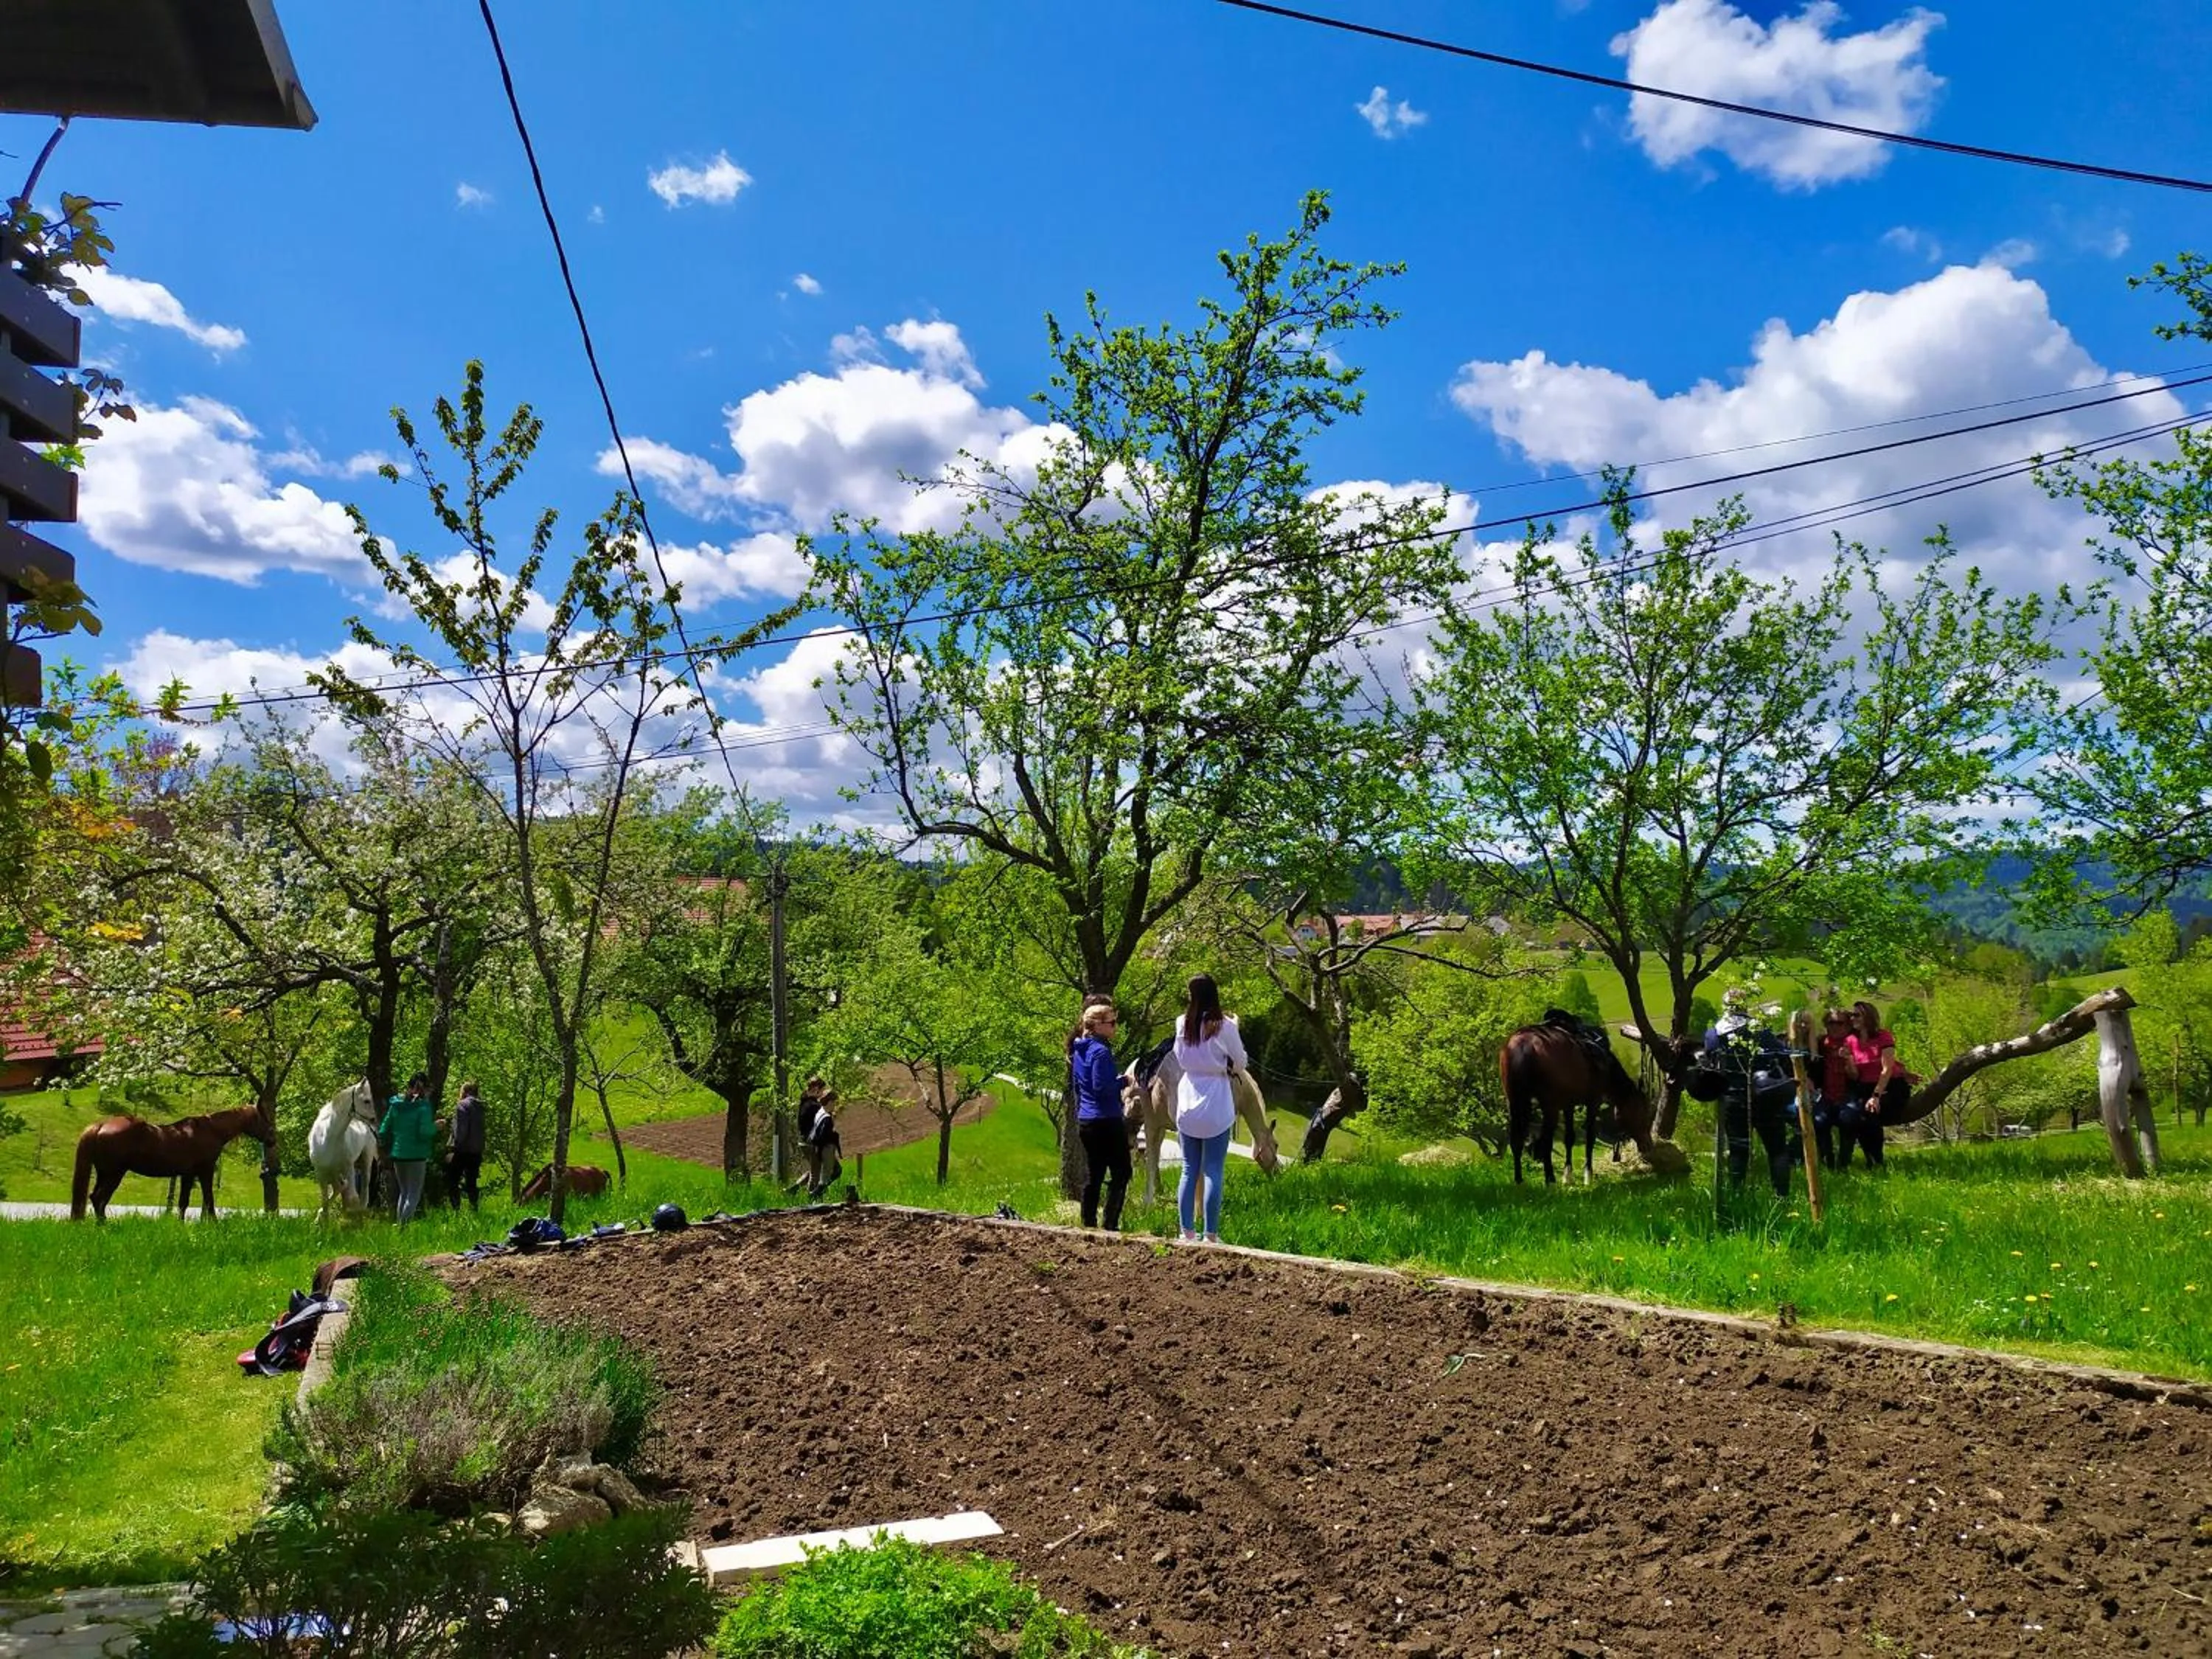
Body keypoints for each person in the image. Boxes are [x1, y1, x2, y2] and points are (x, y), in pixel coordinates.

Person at [1698, 992, 1798, 1196]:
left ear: (1725, 1006)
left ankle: (1737, 1196)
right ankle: (1782, 1197)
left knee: (1738, 1150)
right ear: (1744, 1005)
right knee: (1777, 1149)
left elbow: (1710, 1058)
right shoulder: (1759, 1031)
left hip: (1733, 1098)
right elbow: (1781, 1053)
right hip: (1765, 1095)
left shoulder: (1714, 1034)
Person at [1172, 974, 1245, 1244]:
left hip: (1188, 1095)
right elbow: (1240, 1061)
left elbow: (1179, 1056)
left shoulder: (1182, 1022)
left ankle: (1186, 1231)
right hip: (1216, 1098)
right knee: (1213, 1170)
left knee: (1189, 1169)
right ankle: (1211, 1234)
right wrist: (1225, 1063)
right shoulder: (1225, 1025)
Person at [1071, 1000, 1130, 1231]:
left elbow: (1079, 1086)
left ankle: (1088, 1223)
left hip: (1087, 1120)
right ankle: (1110, 1224)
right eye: (1112, 1023)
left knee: (1094, 1173)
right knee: (1122, 1172)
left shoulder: (1079, 1050)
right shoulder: (1101, 1052)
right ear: (1098, 1026)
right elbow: (1101, 1088)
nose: (1116, 1027)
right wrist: (1123, 1082)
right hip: (1107, 1120)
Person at [1840, 999, 1911, 1169]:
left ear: (1868, 1017)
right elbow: (1854, 1075)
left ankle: (1877, 1161)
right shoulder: (1850, 1040)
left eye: (1857, 1015)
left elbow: (1887, 1069)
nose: (1853, 1019)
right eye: (1851, 1016)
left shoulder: (1883, 1036)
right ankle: (1869, 1160)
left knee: (1871, 1113)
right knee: (1855, 1116)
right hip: (1864, 1087)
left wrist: (1876, 1096)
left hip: (1890, 1085)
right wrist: (1847, 1059)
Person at [379, 1073, 437, 1225]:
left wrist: (390, 1143)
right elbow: (424, 1132)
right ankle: (403, 1228)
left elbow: (383, 1129)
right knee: (413, 1194)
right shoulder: (423, 1107)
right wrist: (436, 1127)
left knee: (403, 1192)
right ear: (426, 1089)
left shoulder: (395, 1105)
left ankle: (400, 1225)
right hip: (417, 1155)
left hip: (398, 1154)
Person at [1812, 1008, 1854, 1169]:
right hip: (1826, 1095)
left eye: (1840, 1023)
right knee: (1819, 1120)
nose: (1835, 1026)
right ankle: (1827, 1162)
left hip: (1849, 1094)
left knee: (1849, 1119)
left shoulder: (1855, 1043)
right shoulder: (1820, 1044)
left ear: (1848, 1025)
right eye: (1831, 1023)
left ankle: (1844, 1163)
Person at [446, 1079, 485, 1212]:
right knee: (472, 1182)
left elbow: (461, 1130)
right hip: (476, 1151)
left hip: (462, 1150)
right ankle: (474, 1209)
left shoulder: (462, 1105)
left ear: (465, 1091)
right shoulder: (480, 1107)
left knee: (452, 1180)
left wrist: (454, 1146)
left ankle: (456, 1211)